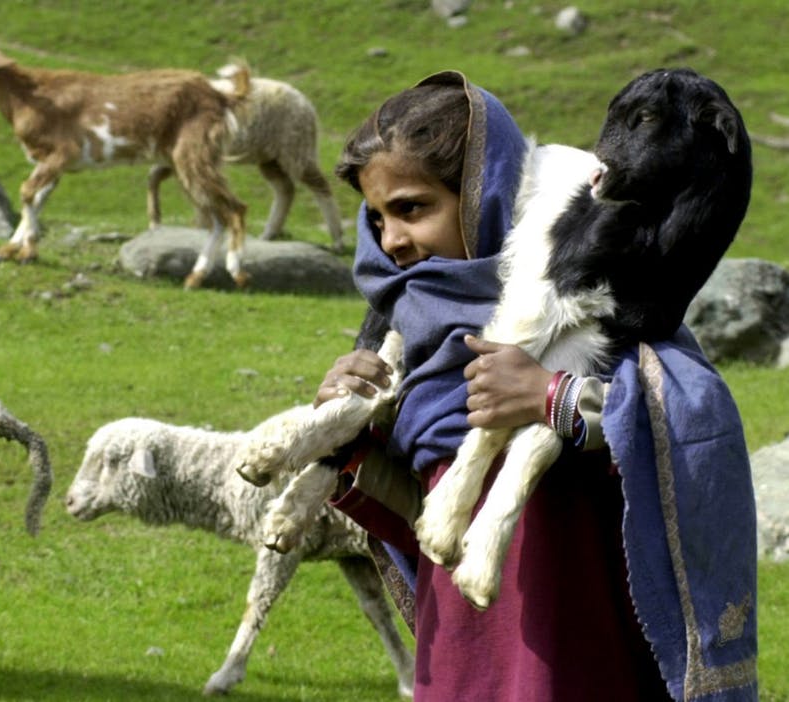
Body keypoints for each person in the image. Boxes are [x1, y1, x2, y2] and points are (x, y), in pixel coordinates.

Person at [316, 71, 758, 701]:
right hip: (465, 646)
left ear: (484, 194)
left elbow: (692, 419)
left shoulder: (610, 284)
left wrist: (555, 397)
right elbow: (424, 508)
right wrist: (351, 432)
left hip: (575, 636)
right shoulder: (419, 338)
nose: (392, 241)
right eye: (377, 218)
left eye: (413, 208)